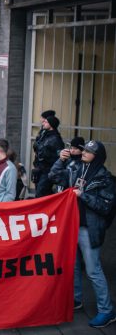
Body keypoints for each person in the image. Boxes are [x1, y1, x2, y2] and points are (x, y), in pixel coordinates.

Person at [66, 140, 116, 328]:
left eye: (89, 151)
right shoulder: (79, 169)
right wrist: (61, 161)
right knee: (74, 266)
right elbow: (56, 176)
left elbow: (105, 206)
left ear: (98, 156)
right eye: (84, 149)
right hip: (75, 226)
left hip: (90, 230)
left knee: (94, 270)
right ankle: (76, 300)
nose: (84, 152)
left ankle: (106, 310)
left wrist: (83, 195)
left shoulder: (105, 178)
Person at [32, 113, 64, 197]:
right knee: (39, 192)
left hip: (48, 171)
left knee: (41, 193)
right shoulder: (43, 135)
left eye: (45, 122)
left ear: (51, 124)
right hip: (39, 169)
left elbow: (59, 157)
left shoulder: (56, 139)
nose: (43, 123)